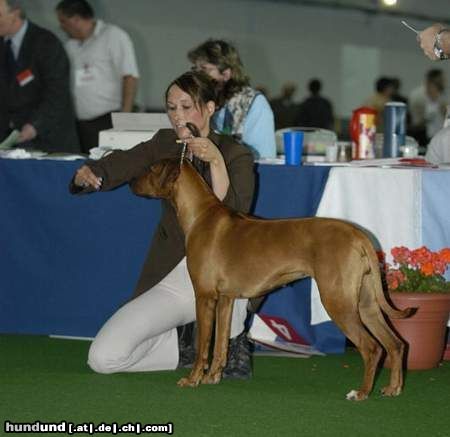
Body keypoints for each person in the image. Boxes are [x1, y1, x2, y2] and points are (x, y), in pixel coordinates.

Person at [70, 71, 255, 379]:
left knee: (233, 262)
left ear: (210, 108)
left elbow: (234, 217)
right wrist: (91, 173)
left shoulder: (236, 154)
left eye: (186, 106)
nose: (177, 116)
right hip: (176, 275)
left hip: (224, 269)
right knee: (103, 358)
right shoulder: (164, 142)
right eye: (171, 107)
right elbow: (125, 162)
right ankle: (186, 348)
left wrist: (216, 161)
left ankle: (233, 344)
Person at [56, 0, 139, 154]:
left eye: (63, 21)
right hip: (80, 124)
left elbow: (130, 76)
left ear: (76, 19)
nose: (61, 26)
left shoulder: (113, 35)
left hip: (109, 120)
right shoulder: (70, 46)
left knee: (108, 167)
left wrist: (124, 120)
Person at [0, 0, 79, 152]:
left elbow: (57, 94)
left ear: (15, 13)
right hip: (10, 142)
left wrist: (34, 126)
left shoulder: (46, 43)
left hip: (48, 140)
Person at [188, 39, 276, 159]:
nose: (197, 75)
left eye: (204, 69)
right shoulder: (198, 101)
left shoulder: (254, 103)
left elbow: (265, 158)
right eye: (195, 69)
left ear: (226, 74)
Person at [409, 69, 446, 146]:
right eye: (442, 79)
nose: (445, 81)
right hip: (423, 135)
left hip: (439, 133)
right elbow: (417, 121)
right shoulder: (418, 95)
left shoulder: (441, 94)